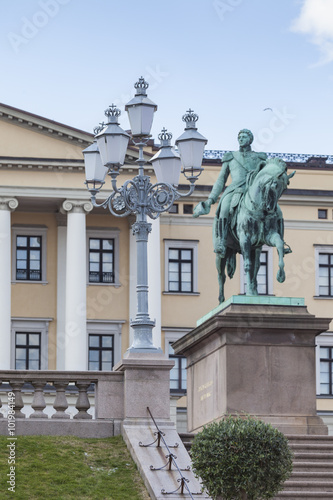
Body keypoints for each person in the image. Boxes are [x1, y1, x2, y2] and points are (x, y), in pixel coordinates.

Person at [194, 129, 267, 257]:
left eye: (244, 137)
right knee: (224, 209)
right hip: (234, 190)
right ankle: (221, 241)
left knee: (272, 210)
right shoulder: (231, 157)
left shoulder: (259, 158)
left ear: (250, 140)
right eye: (240, 137)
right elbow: (221, 179)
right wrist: (211, 199)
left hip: (252, 191)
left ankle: (272, 234)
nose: (241, 139)